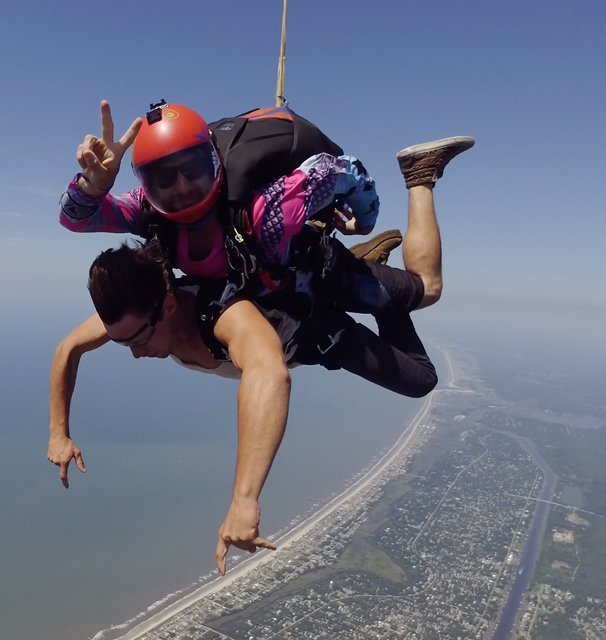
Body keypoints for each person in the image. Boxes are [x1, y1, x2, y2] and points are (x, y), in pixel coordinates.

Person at [48, 239, 438, 575]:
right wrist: (58, 432)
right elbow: (68, 349)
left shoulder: (222, 315)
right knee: (414, 371)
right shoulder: (135, 314)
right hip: (300, 322)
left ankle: (416, 182)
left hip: (320, 329)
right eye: (121, 343)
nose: (134, 353)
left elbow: (270, 375)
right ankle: (361, 279)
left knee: (423, 356)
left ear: (168, 305)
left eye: (139, 339)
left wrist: (244, 499)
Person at [58, 100, 474, 316]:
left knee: (428, 289)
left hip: (312, 271)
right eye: (164, 177)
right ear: (147, 187)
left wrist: (363, 221)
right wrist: (92, 186)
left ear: (215, 162)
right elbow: (75, 220)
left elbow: (346, 171)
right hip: (269, 286)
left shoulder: (268, 207)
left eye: (192, 169)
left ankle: (419, 175)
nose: (181, 186)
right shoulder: (148, 209)